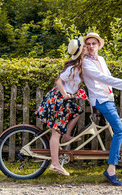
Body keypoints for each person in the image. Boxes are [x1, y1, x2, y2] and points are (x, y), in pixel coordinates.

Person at [82, 32, 122, 186]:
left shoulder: (101, 59)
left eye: (94, 43)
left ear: (99, 45)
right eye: (88, 44)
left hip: (108, 98)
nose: (91, 46)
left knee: (117, 129)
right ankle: (111, 170)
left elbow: (109, 79)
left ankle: (120, 162)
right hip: (100, 100)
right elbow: (102, 79)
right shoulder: (86, 63)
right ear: (85, 47)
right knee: (120, 130)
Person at [34, 37, 86, 176]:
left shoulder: (79, 66)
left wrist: (76, 92)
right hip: (58, 99)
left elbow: (72, 84)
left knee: (77, 112)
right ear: (81, 51)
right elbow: (58, 81)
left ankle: (67, 135)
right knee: (56, 132)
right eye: (85, 47)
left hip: (63, 100)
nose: (87, 48)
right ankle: (55, 164)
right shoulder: (72, 68)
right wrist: (64, 94)